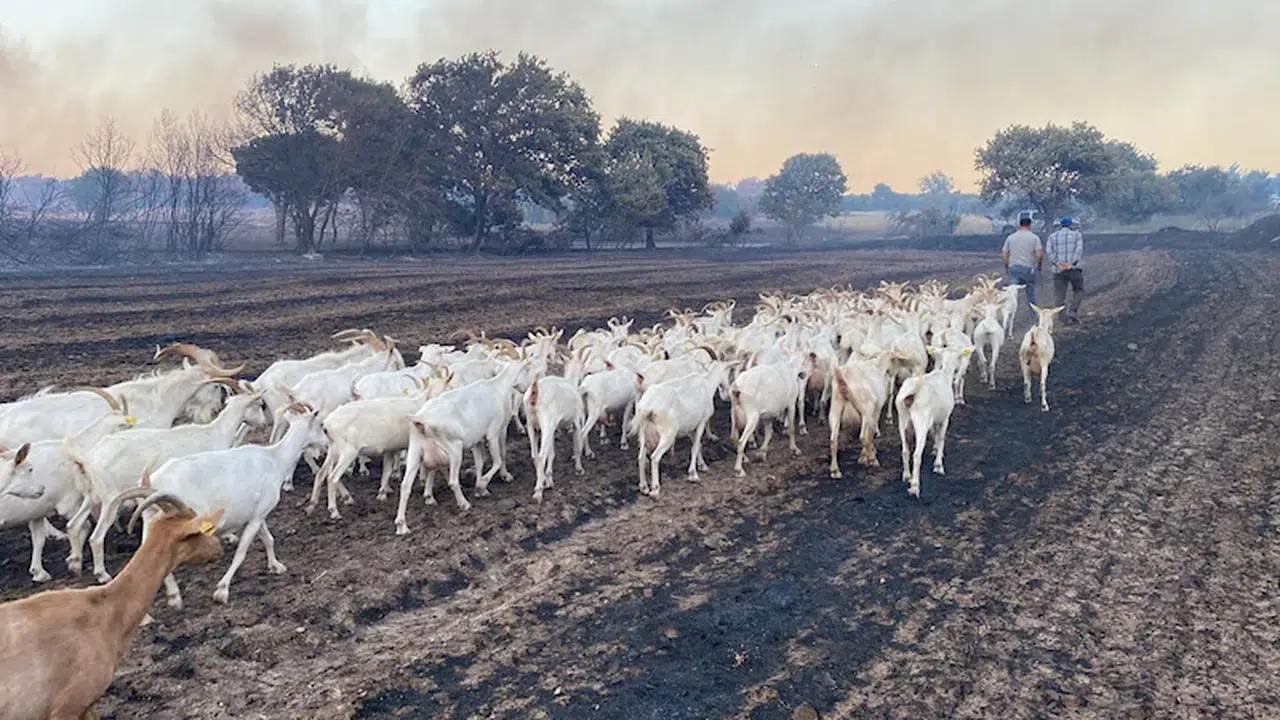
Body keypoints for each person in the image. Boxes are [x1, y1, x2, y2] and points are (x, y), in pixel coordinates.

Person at [1046, 216, 1084, 324]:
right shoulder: (1077, 235)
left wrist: (1058, 263)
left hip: (1058, 270)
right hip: (1074, 269)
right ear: (1070, 225)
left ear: (1060, 225)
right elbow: (1078, 251)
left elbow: (1049, 252)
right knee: (1078, 290)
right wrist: (1070, 263)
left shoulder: (1052, 237)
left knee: (1059, 295)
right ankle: (1073, 311)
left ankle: (1062, 318)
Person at [1001, 216, 1043, 309]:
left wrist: (1007, 266)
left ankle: (1010, 312)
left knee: (1012, 294)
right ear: (1030, 225)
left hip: (1014, 268)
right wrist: (1038, 266)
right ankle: (1033, 313)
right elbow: (1039, 254)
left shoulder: (1011, 237)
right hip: (1029, 268)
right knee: (1030, 292)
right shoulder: (1035, 238)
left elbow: (1004, 253)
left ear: (1019, 225)